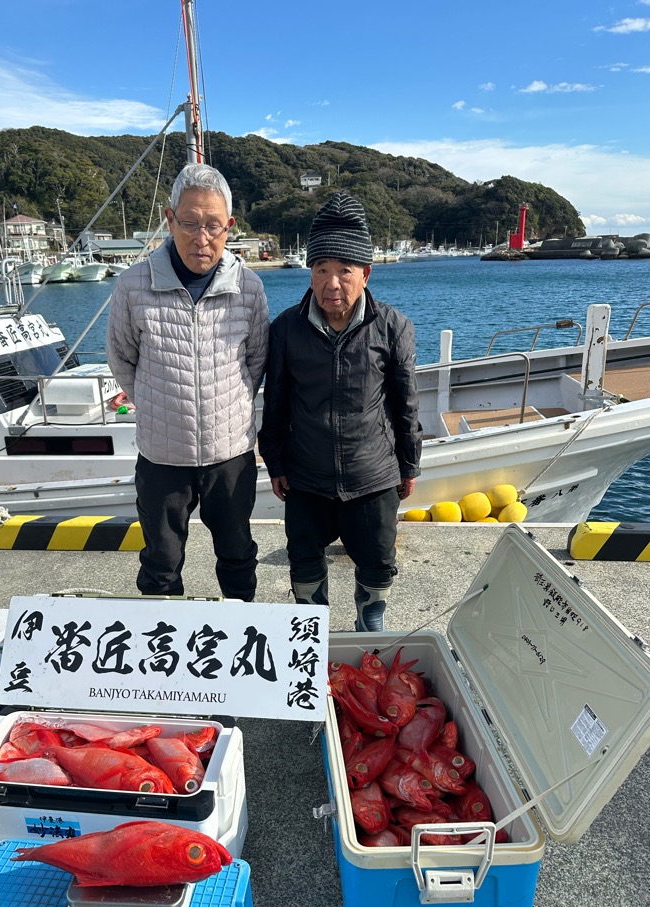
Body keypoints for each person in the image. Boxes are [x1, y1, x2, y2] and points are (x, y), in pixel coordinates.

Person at [258, 192, 422, 631]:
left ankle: (370, 626)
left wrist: (409, 465)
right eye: (321, 269)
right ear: (310, 273)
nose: (332, 283)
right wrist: (276, 461)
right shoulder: (286, 329)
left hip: (373, 474)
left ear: (365, 273)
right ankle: (310, 636)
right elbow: (275, 403)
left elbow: (405, 403)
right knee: (303, 560)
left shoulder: (393, 326)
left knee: (378, 561)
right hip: (306, 475)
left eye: (344, 270)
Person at [106, 163, 269, 601]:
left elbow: (256, 360)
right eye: (190, 223)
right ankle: (163, 637)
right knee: (160, 561)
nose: (202, 237)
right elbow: (122, 358)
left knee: (237, 554)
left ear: (229, 226)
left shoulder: (249, 287)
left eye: (213, 226)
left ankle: (241, 629)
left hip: (229, 452)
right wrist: (159, 405)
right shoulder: (133, 285)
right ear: (170, 219)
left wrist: (229, 406)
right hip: (162, 455)